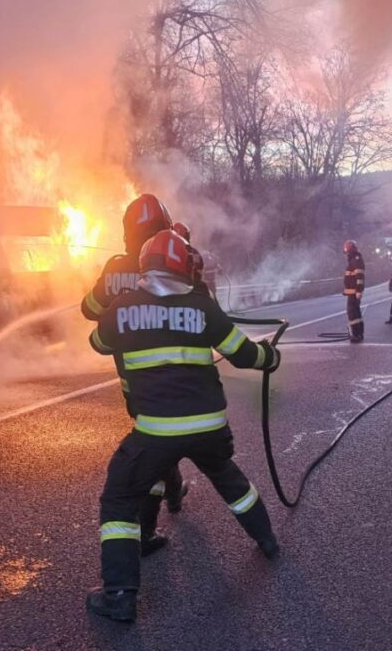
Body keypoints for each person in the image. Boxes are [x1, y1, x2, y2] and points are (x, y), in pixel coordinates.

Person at [86, 229, 281, 622]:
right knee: (228, 478)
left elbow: (98, 343)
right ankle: (268, 540)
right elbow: (244, 356)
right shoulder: (201, 306)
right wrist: (270, 358)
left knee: (120, 498)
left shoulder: (122, 308)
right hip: (210, 426)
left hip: (156, 431)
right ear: (186, 268)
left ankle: (120, 596)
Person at [81, 194, 188, 541]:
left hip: (134, 382)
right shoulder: (171, 266)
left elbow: (90, 309)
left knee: (159, 435)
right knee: (160, 443)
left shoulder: (114, 268)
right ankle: (145, 528)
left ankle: (174, 493)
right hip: (172, 376)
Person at [342, 240, 365, 342]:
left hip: (354, 292)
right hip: (352, 292)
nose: (346, 251)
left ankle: (356, 335)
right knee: (356, 314)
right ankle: (359, 334)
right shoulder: (354, 259)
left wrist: (359, 290)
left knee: (353, 314)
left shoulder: (355, 259)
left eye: (346, 248)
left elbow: (359, 277)